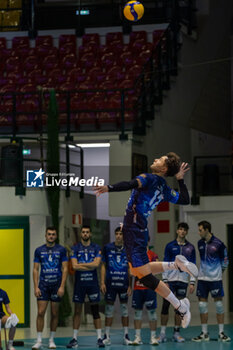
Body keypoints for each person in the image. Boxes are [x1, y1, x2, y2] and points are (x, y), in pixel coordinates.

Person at [95, 152, 198, 328]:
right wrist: (180, 180)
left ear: (163, 168)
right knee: (136, 272)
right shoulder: (164, 187)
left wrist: (109, 188)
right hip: (135, 230)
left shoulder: (149, 178)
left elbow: (130, 184)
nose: (156, 159)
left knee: (146, 278)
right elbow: (185, 199)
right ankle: (176, 265)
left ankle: (180, 306)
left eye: (160, 159)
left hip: (134, 232)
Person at [157, 222, 196, 343]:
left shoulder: (191, 247)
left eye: (184, 230)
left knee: (180, 308)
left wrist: (192, 282)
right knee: (165, 306)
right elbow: (165, 264)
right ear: (177, 231)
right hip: (170, 281)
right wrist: (165, 280)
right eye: (180, 229)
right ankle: (162, 333)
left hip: (183, 281)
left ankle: (176, 333)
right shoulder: (170, 246)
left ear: (187, 232)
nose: (182, 232)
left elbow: (192, 266)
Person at [192, 220, 231, 342]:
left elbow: (225, 261)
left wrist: (218, 272)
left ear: (207, 230)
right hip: (202, 279)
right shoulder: (199, 243)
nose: (199, 233)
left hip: (215, 280)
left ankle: (221, 333)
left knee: (219, 305)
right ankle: (204, 333)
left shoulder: (219, 244)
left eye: (200, 230)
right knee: (202, 305)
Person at [66, 225, 105, 348]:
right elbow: (75, 266)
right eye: (83, 232)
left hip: (92, 284)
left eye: (87, 232)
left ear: (90, 234)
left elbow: (97, 264)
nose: (85, 234)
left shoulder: (96, 247)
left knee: (95, 311)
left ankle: (99, 338)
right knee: (77, 311)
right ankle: (74, 338)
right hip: (80, 284)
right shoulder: (75, 248)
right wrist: (90, 265)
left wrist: (82, 264)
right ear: (81, 234)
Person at [32, 226, 68, 350]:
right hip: (43, 285)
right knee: (40, 312)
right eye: (49, 234)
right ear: (46, 235)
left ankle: (51, 340)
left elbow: (65, 268)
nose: (51, 236)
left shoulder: (61, 250)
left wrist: (62, 286)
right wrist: (36, 287)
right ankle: (39, 340)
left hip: (56, 285)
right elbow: (35, 269)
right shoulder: (39, 250)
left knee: (54, 313)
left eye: (53, 234)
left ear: (56, 236)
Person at [101, 227, 132, 346]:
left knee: (124, 310)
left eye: (121, 234)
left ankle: (126, 336)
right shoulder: (108, 248)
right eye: (117, 234)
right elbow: (103, 265)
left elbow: (130, 268)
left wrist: (130, 285)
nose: (119, 236)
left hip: (123, 284)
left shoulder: (128, 249)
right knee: (109, 309)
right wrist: (102, 282)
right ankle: (106, 336)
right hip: (110, 284)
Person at [131, 248, 159, 346]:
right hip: (138, 288)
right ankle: (137, 337)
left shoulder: (153, 255)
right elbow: (131, 272)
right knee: (137, 313)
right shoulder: (135, 255)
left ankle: (153, 337)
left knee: (152, 313)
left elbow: (156, 270)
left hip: (150, 289)